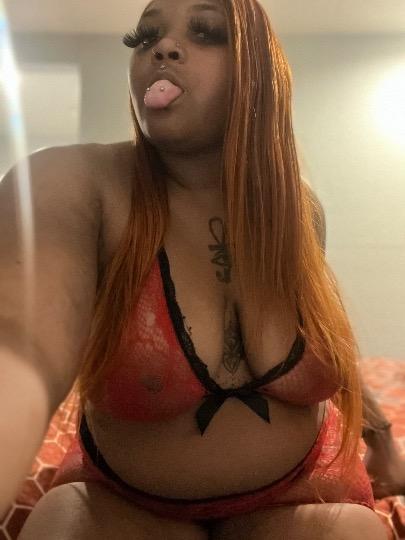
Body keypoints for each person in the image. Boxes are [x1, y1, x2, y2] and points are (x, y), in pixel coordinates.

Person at [0, 0, 398, 538]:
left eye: (207, 32)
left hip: (301, 493)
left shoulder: (298, 208)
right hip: (127, 504)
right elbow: (20, 349)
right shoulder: (70, 183)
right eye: (143, 36)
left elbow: (326, 338)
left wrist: (383, 440)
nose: (162, 47)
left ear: (258, 71)